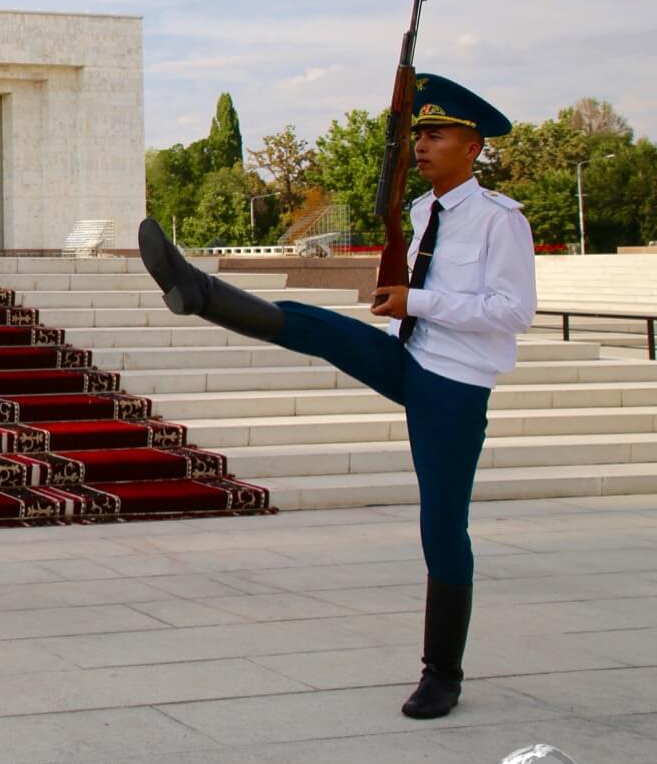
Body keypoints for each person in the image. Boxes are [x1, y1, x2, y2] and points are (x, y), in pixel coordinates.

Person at [135, 75, 534, 721]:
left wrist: (419, 300)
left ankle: (442, 674)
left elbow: (515, 312)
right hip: (411, 356)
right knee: (319, 327)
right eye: (419, 134)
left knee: (442, 524)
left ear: (473, 146)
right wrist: (400, 310)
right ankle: (199, 293)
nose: (423, 146)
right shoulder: (421, 211)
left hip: (454, 387)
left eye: (436, 135)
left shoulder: (499, 221)